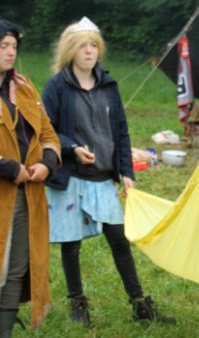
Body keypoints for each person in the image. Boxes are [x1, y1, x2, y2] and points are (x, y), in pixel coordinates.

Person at [42, 17, 176, 327]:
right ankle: (78, 304)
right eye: (82, 46)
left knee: (119, 240)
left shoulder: (108, 84)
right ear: (70, 50)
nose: (89, 51)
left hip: (103, 177)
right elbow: (46, 130)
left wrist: (126, 171)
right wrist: (72, 148)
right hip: (72, 178)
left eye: (93, 45)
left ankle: (139, 304)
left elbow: (121, 131)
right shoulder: (57, 86)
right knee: (71, 244)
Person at [0, 19, 61, 336]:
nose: (10, 52)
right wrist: (9, 169)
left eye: (13, 46)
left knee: (16, 268)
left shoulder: (24, 86)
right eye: (3, 46)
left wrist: (47, 163)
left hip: (26, 194)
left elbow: (48, 133)